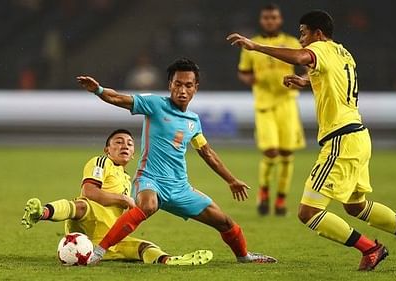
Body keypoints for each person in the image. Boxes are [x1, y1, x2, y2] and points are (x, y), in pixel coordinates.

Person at [227, 10, 396, 271]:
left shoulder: (320, 48)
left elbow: (302, 56)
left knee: (308, 212)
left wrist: (255, 46)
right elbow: (335, 80)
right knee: (355, 206)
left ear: (317, 33)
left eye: (303, 32)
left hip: (341, 140)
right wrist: (307, 80)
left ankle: (370, 248)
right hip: (359, 135)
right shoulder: (343, 52)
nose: (300, 38)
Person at [76, 58, 277, 264]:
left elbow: (207, 152)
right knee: (148, 205)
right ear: (170, 85)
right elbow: (120, 98)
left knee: (224, 222)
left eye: (188, 85)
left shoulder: (193, 121)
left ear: (195, 88)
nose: (182, 90)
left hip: (180, 188)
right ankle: (98, 252)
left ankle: (244, 256)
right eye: (178, 84)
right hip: (150, 180)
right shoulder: (155, 105)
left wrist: (231, 180)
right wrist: (98, 90)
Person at [21, 129, 213, 265]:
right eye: (119, 142)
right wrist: (124, 200)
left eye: (129, 144)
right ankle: (42, 212)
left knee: (144, 247)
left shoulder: (128, 180)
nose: (125, 145)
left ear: (132, 155)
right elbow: (90, 192)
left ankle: (168, 260)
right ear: (107, 149)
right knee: (81, 206)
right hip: (86, 227)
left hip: (109, 238)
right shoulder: (101, 162)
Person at [237, 3, 306, 216]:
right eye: (266, 18)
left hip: (287, 103)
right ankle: (264, 193)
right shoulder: (251, 45)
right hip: (264, 105)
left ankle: (281, 199)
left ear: (280, 20)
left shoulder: (292, 42)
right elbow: (243, 73)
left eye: (273, 17)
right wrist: (253, 79)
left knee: (286, 153)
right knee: (271, 152)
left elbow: (310, 70)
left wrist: (301, 80)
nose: (270, 21)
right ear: (261, 20)